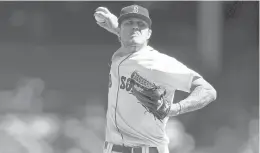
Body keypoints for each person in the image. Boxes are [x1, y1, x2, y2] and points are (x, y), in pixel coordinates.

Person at [94, 4, 217, 153]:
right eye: (129, 23)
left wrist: (175, 109)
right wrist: (116, 28)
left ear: (149, 34)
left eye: (141, 24)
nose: (135, 27)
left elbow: (208, 90)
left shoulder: (158, 62)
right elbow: (129, 44)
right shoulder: (118, 56)